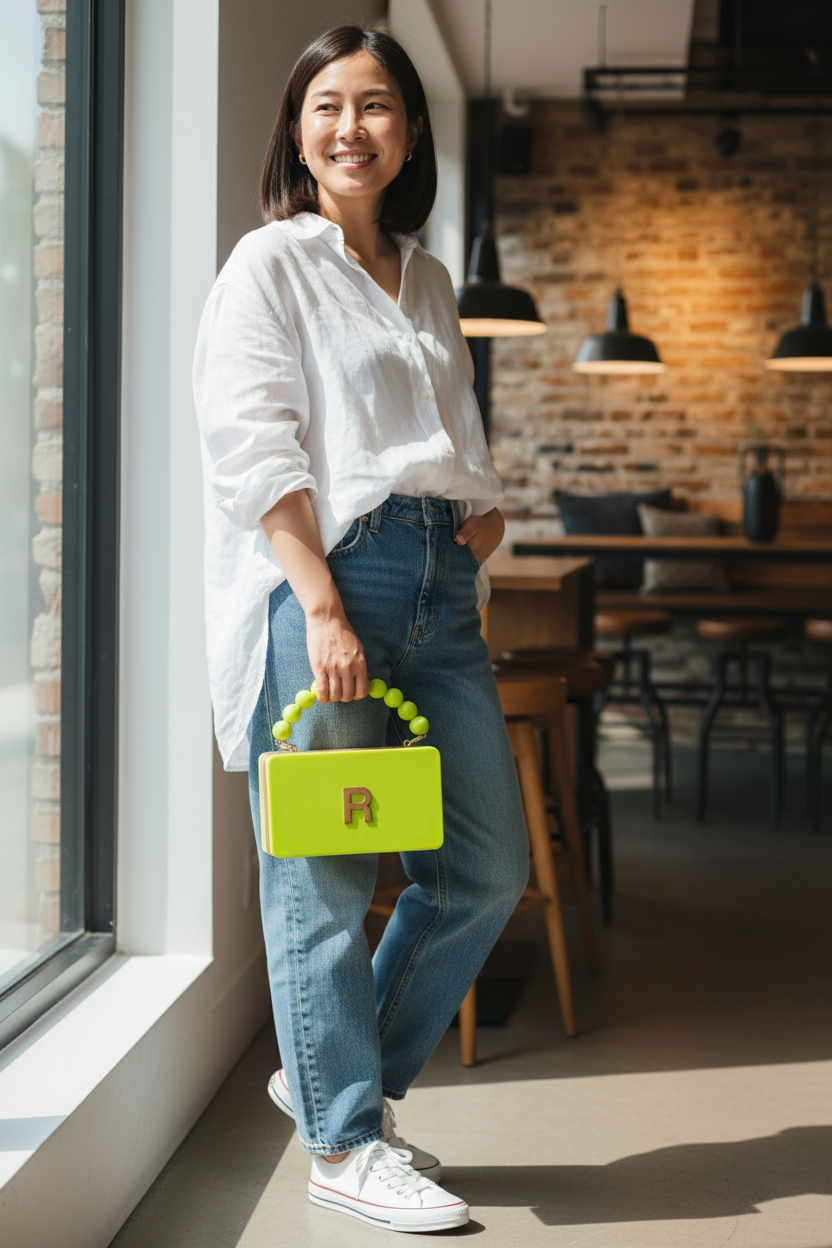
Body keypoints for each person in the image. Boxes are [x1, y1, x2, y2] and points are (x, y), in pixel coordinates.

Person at [194, 24, 529, 1234]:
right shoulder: (269, 265)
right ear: (297, 130)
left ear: (409, 130)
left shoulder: (429, 279)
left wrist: (469, 540)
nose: (351, 127)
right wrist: (323, 601)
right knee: (324, 876)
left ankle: (337, 1085)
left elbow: (466, 453)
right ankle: (343, 1141)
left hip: (442, 586)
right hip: (329, 581)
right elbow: (253, 447)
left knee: (484, 868)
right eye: (327, 105)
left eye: (376, 104)